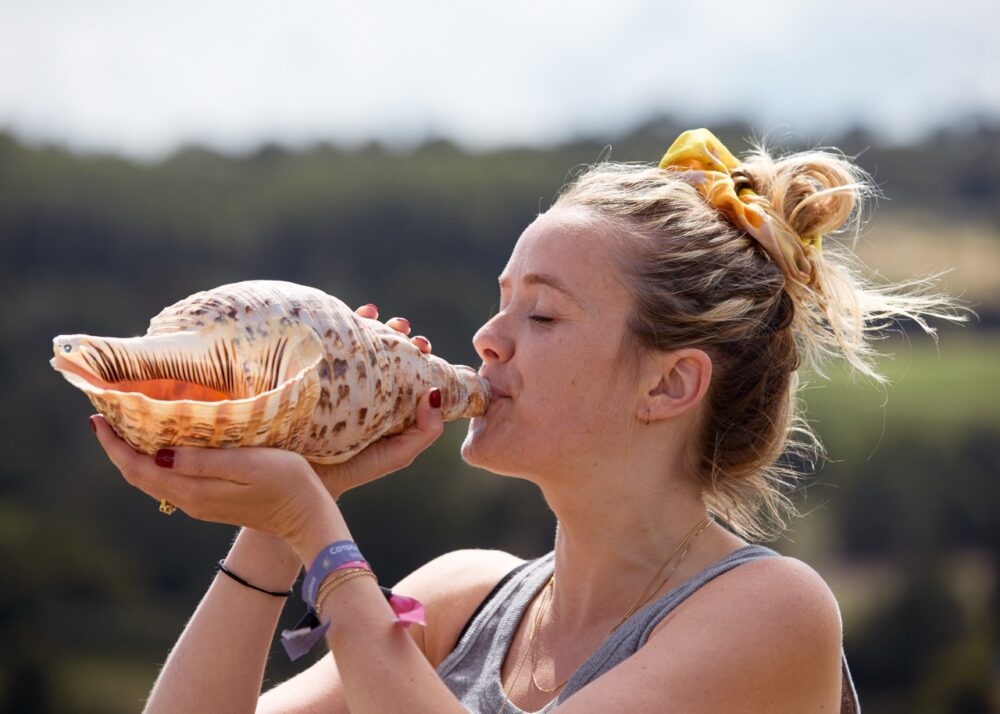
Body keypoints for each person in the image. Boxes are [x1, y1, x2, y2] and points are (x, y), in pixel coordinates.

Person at [91, 128, 963, 712]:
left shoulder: (772, 614)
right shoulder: (460, 599)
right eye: (500, 303)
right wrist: (281, 511)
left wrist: (316, 534)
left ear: (668, 386)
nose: (486, 339)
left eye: (541, 316)